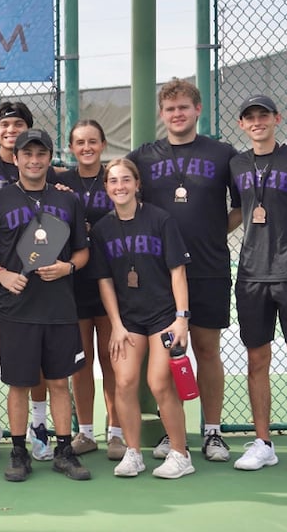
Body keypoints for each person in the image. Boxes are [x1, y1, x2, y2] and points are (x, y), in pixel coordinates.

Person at [128, 78, 239, 462]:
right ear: (161, 114)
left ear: (198, 110)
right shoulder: (144, 157)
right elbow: (114, 188)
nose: (177, 114)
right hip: (162, 273)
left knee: (207, 349)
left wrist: (211, 232)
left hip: (209, 267)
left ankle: (212, 432)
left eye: (184, 107)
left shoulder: (223, 154)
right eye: (170, 108)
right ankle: (173, 431)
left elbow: (244, 203)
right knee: (172, 351)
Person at [0, 128, 92, 483]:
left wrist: (68, 267)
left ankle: (64, 450)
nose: (34, 160)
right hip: (16, 308)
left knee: (59, 383)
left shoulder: (67, 201)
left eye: (41, 154)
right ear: (16, 158)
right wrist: (2, 274)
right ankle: (20, 452)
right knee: (19, 384)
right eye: (27, 154)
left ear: (49, 159)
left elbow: (83, 251)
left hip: (59, 308)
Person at [228, 95, 287, 478]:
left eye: (263, 115)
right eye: (250, 117)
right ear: (242, 124)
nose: (257, 122)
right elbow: (239, 211)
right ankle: (263, 443)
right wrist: (206, 240)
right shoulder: (236, 164)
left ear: (276, 118)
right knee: (257, 362)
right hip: (250, 275)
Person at [90, 158, 195, 479]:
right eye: (113, 181)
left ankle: (180, 454)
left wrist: (182, 318)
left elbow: (178, 271)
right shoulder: (103, 229)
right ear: (107, 188)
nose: (119, 186)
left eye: (125, 180)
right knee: (124, 382)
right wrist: (116, 325)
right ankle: (133, 452)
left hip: (164, 315)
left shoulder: (160, 220)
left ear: (137, 184)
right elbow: (104, 281)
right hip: (129, 320)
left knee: (159, 382)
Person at [0, 102, 53, 462]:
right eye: (5, 124)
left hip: (33, 269)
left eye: (19, 123)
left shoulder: (42, 167)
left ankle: (38, 424)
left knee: (34, 345)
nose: (11, 129)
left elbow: (57, 199)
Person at [57, 120, 121, 459]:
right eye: (79, 142)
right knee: (81, 362)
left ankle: (116, 432)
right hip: (73, 282)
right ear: (70, 147)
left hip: (110, 279)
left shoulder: (116, 177)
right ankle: (84, 433)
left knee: (113, 360)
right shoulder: (60, 181)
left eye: (92, 141)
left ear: (103, 143)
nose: (86, 147)